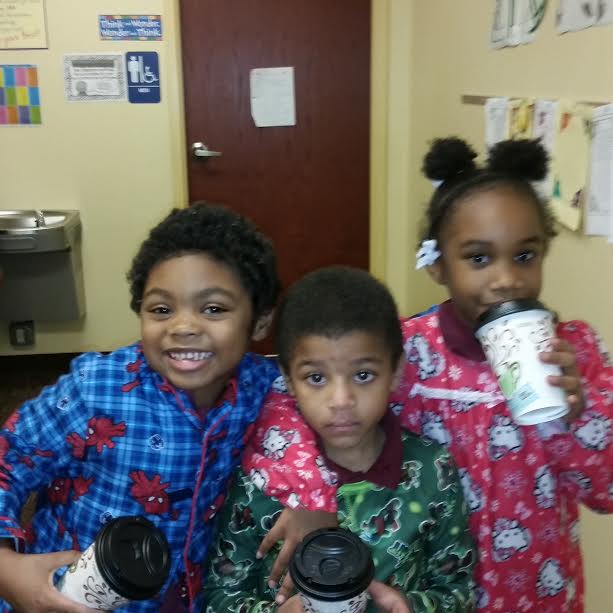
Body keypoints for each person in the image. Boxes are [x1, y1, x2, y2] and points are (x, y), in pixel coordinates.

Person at [244, 139, 613, 612]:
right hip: (424, 591)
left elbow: (604, 493)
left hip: (538, 591)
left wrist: (581, 413)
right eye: (478, 258)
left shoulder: (575, 354)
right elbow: (284, 398)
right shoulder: (408, 351)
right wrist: (310, 495)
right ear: (437, 264)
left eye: (525, 256)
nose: (506, 279)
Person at [0, 203, 281, 613]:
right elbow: (7, 460)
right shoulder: (95, 388)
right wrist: (7, 569)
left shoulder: (266, 390)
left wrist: (312, 507)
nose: (183, 327)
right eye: (161, 309)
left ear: (260, 321)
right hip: (63, 598)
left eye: (214, 309)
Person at [204, 266, 475, 612]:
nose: (341, 400)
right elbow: (220, 594)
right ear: (289, 380)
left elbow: (459, 590)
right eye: (316, 378)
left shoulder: (434, 471)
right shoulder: (262, 479)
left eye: (363, 375)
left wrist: (410, 606)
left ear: (395, 372)